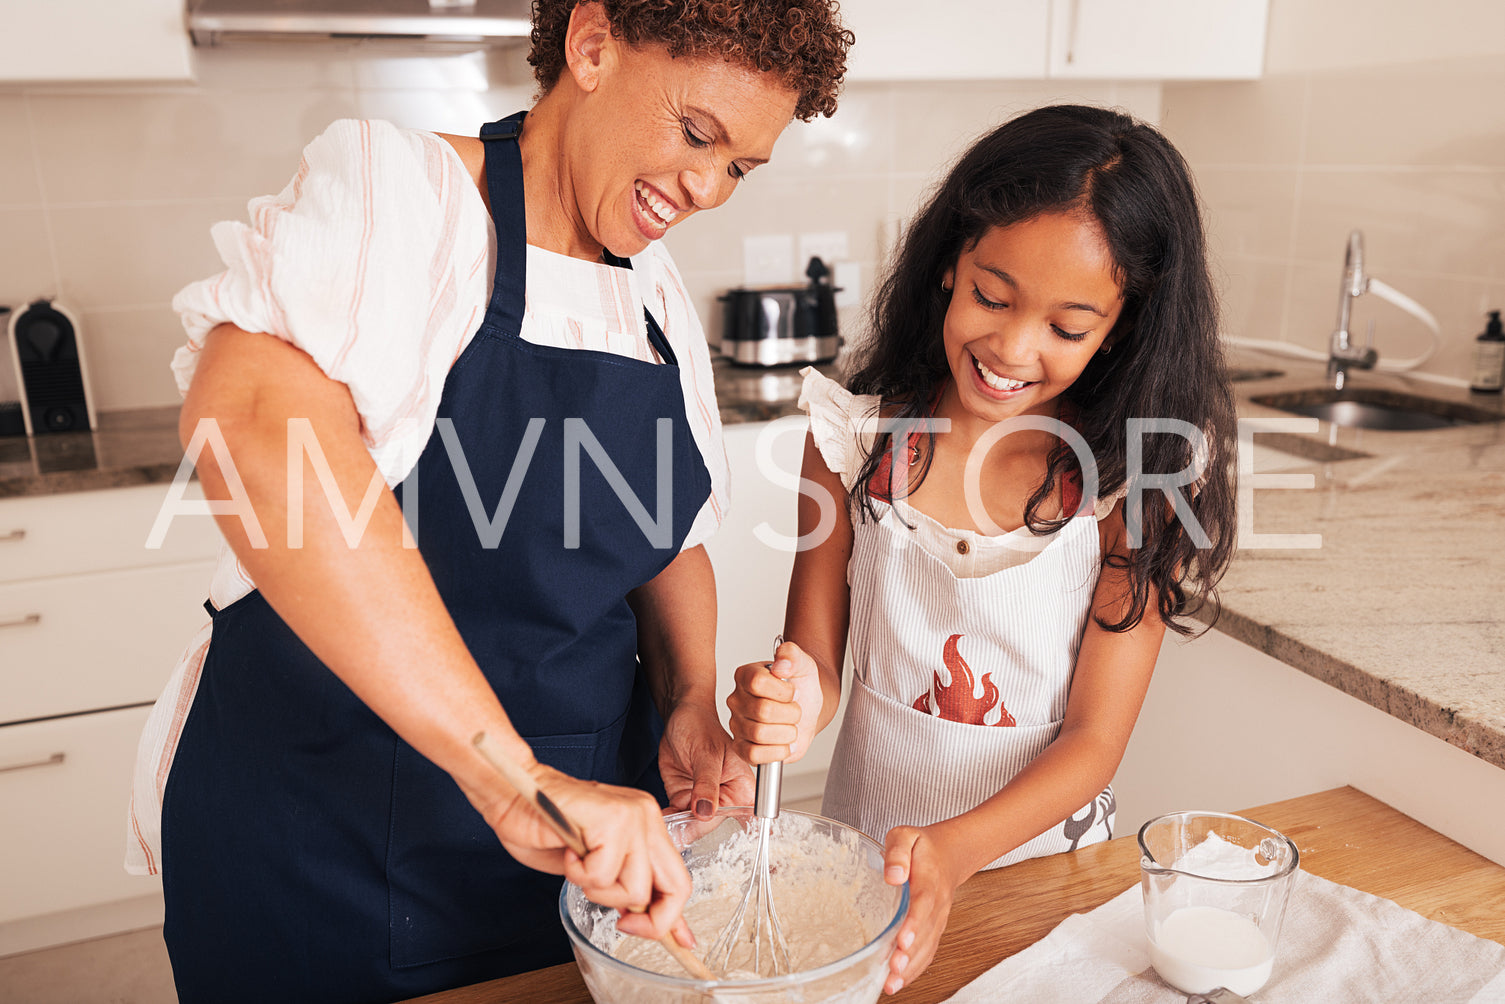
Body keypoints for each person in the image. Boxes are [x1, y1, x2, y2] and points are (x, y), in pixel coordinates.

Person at [123, 2, 852, 1000]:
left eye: (737, 167)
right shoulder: (406, 193)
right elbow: (255, 426)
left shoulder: (651, 295)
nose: (704, 187)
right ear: (590, 46)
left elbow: (667, 539)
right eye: (695, 133)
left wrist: (686, 700)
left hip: (578, 854)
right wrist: (515, 778)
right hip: (331, 847)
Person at [727, 104, 1239, 996]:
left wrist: (953, 855)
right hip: (864, 863)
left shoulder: (1135, 482)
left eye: (1065, 327)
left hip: (1046, 876)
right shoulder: (854, 436)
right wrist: (787, 699)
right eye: (990, 297)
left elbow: (1093, 742)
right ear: (948, 266)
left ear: (1122, 324)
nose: (1009, 347)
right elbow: (815, 654)